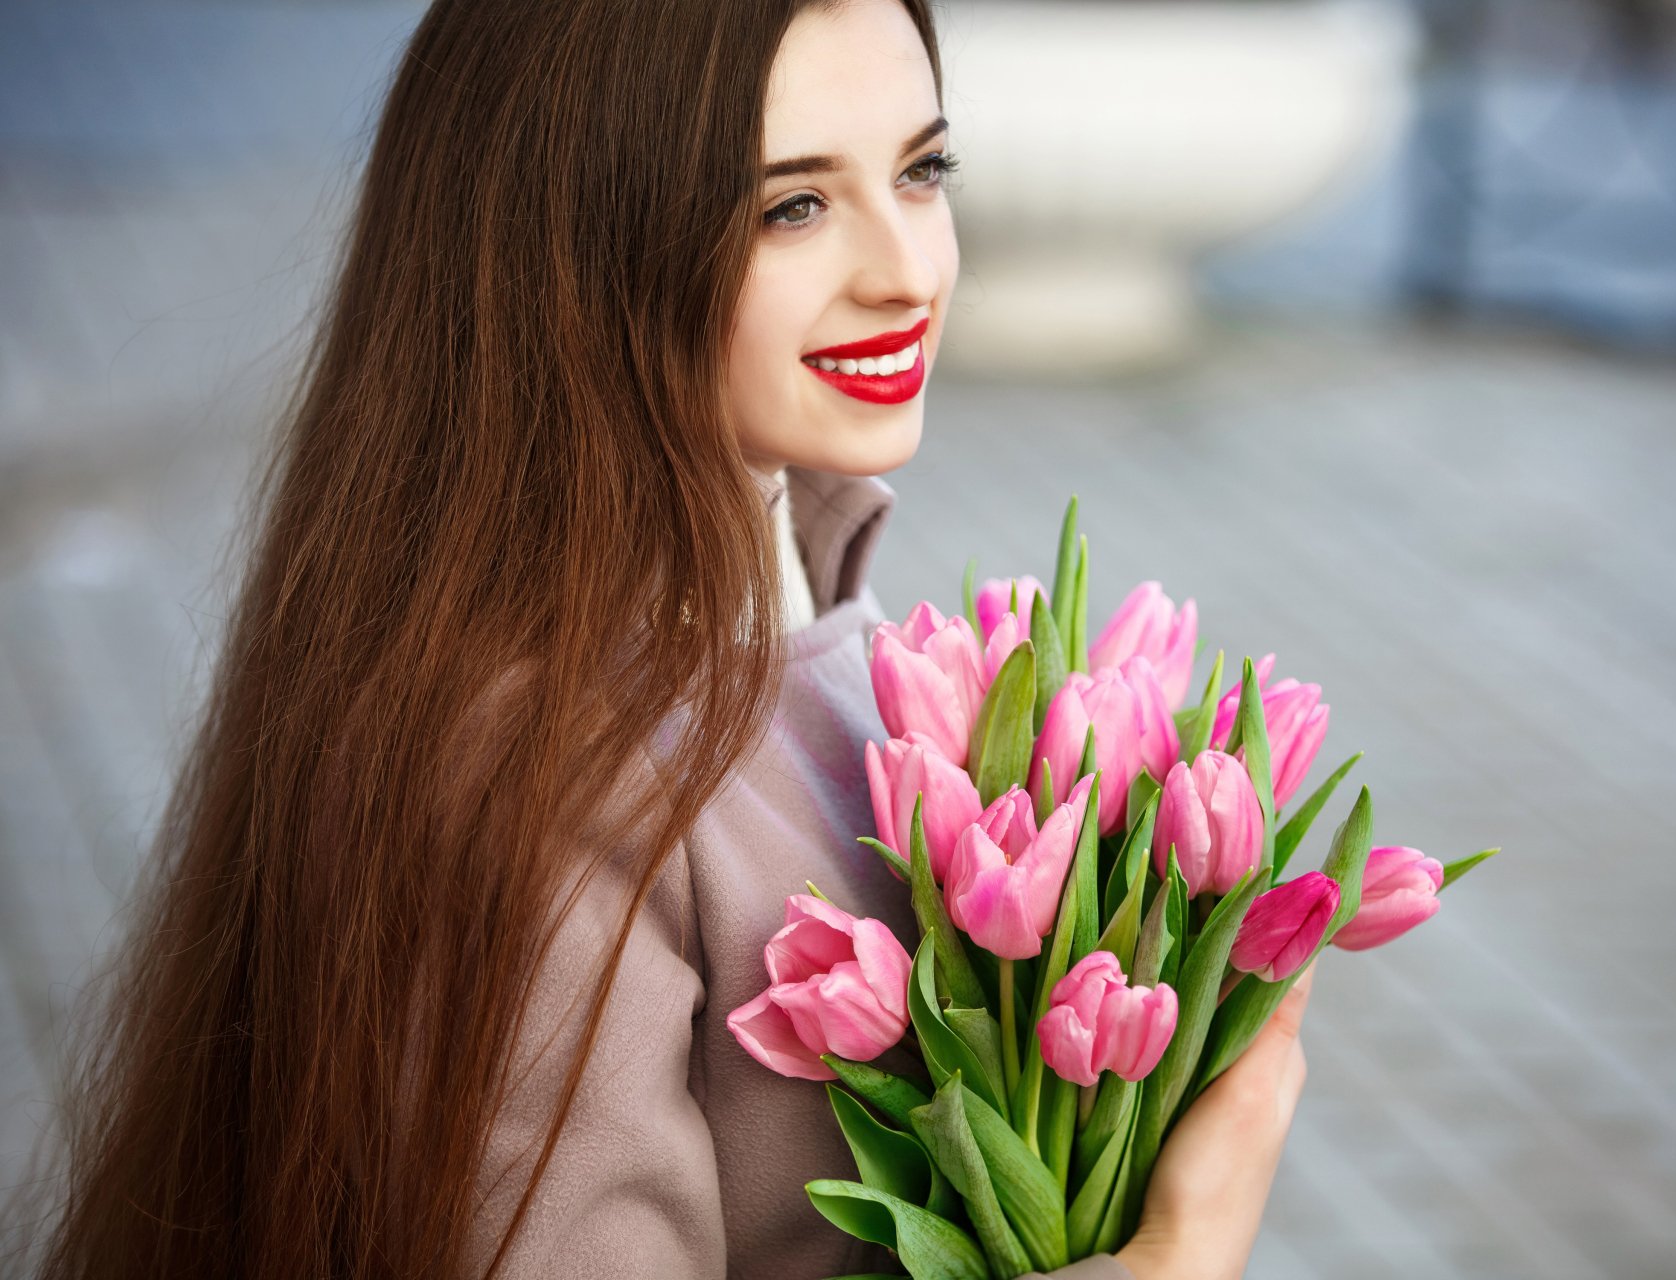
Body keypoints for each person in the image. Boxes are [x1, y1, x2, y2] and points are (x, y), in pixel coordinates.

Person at [25, 1, 1313, 1277]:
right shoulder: (540, 767)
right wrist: (1169, 1259)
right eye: (791, 206)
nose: (908, 269)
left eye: (923, 171)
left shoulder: (786, 596)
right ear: (575, 247)